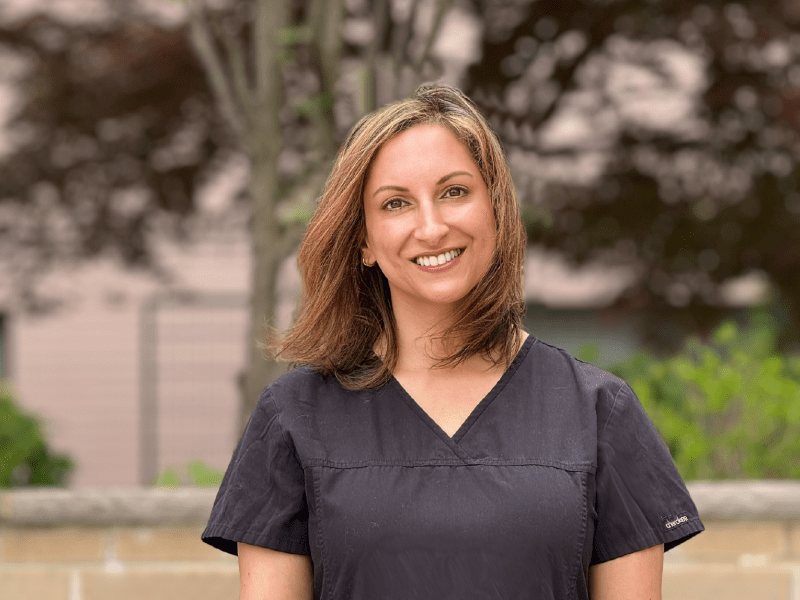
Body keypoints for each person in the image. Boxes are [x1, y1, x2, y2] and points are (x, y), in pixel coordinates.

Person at [202, 84, 703, 600]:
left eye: (454, 192)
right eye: (396, 203)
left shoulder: (600, 413)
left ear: (495, 210)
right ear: (365, 242)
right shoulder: (293, 416)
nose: (432, 226)